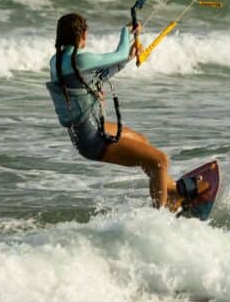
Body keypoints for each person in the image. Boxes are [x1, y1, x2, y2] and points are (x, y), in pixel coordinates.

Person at [46, 12, 194, 209]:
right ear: (82, 35)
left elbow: (97, 77)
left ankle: (171, 192)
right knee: (159, 160)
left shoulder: (57, 61)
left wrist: (127, 59)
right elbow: (119, 53)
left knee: (142, 142)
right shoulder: (80, 60)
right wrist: (126, 30)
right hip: (93, 139)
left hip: (85, 134)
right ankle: (161, 215)